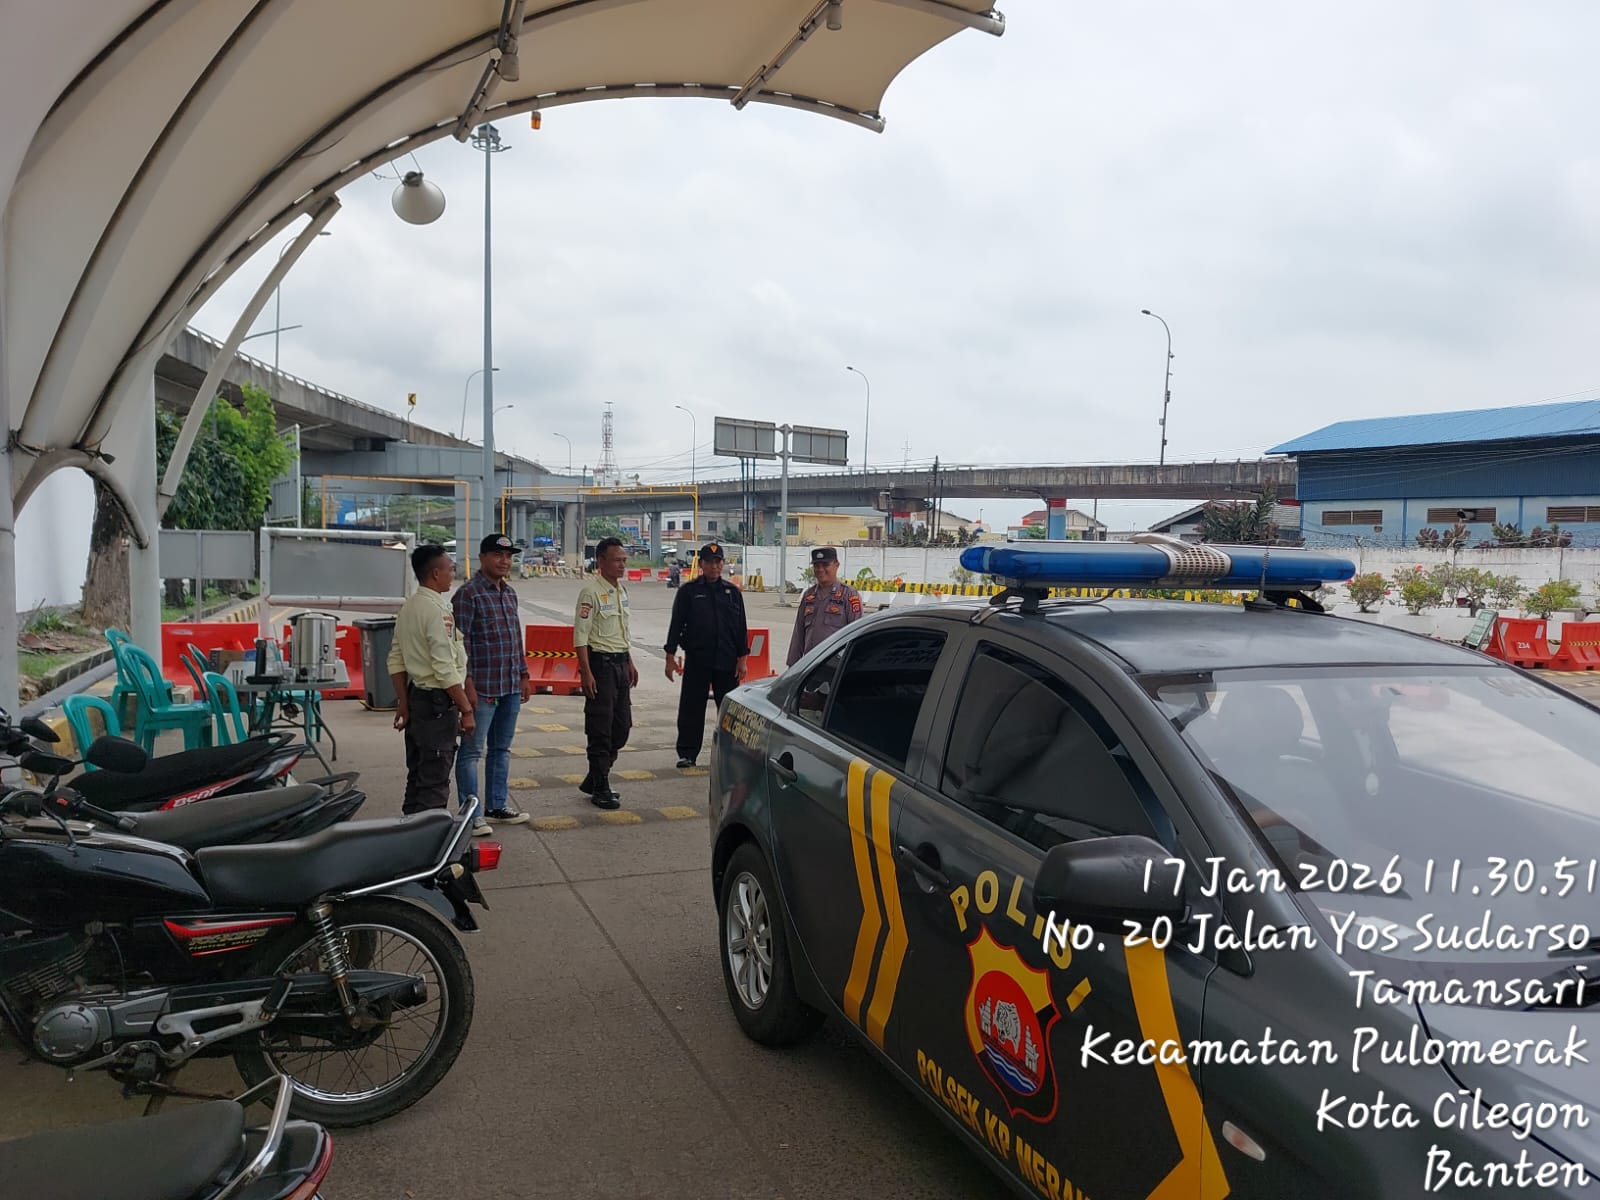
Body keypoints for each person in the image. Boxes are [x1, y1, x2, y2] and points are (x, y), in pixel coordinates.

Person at [451, 532, 532, 833]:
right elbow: (460, 644)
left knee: (501, 749)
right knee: (472, 752)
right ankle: (470, 816)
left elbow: (515, 637)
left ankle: (496, 806)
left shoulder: (509, 593)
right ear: (482, 557)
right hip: (482, 687)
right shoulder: (467, 595)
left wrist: (523, 674)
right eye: (498, 555)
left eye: (508, 556)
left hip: (509, 684)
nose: (504, 561)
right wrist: (467, 683)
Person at [387, 544, 476, 816]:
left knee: (417, 776)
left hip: (417, 699)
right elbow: (444, 668)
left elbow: (396, 660)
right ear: (436, 573)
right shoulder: (437, 611)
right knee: (435, 781)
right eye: (450, 569)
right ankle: (427, 836)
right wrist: (466, 710)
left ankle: (408, 832)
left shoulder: (409, 608)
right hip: (437, 704)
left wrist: (404, 703)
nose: (453, 574)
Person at [664, 541, 748, 768]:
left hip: (726, 661)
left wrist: (742, 659)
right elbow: (676, 625)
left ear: (723, 564)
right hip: (697, 660)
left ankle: (731, 754)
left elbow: (740, 628)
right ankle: (687, 753)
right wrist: (670, 656)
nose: (714, 566)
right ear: (701, 564)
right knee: (691, 708)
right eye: (709, 562)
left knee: (729, 711)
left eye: (718, 562)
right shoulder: (688, 592)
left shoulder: (732, 593)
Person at [573, 537, 636, 809]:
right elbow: (580, 636)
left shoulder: (621, 591)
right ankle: (600, 786)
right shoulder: (591, 593)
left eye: (624, 560)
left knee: (622, 727)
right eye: (616, 560)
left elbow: (622, 631)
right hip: (601, 666)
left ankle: (596, 776)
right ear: (601, 562)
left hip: (620, 663)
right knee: (600, 728)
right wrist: (586, 672)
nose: (622, 565)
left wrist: (629, 661)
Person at [786, 545, 863, 666]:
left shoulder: (849, 595)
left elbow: (857, 634)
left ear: (836, 565)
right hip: (811, 666)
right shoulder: (808, 596)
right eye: (817, 566)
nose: (820, 569)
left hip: (836, 667)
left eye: (825, 565)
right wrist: (793, 666)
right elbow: (798, 634)